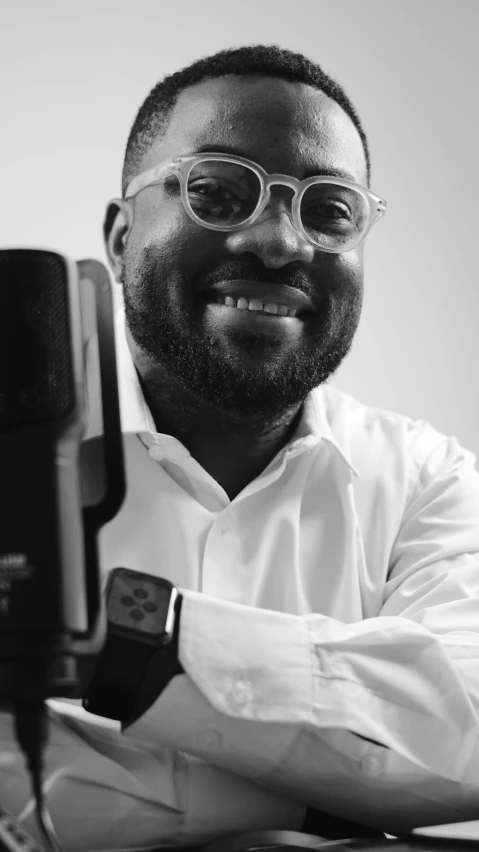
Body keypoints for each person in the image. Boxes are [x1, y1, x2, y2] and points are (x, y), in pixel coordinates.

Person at [2, 43, 479, 851]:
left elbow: (467, 727)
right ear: (121, 239)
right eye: (218, 192)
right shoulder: (7, 449)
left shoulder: (427, 479)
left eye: (329, 211)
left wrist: (125, 633)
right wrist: (326, 806)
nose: (280, 241)